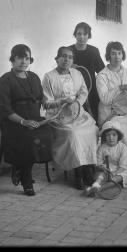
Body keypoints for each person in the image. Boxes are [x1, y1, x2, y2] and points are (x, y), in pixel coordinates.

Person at [0, 44, 53, 196]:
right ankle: (26, 179)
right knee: (30, 137)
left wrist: (48, 102)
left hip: (34, 119)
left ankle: (19, 166)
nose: (23, 62)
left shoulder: (33, 77)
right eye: (19, 58)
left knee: (47, 132)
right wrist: (23, 121)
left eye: (27, 58)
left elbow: (41, 97)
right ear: (12, 60)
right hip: (14, 122)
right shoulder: (5, 80)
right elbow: (5, 110)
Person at [42, 46, 99, 190]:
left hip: (78, 114)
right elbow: (46, 103)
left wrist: (76, 104)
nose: (67, 59)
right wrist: (62, 102)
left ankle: (88, 169)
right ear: (57, 59)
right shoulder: (49, 77)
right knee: (73, 134)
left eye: (70, 57)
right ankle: (78, 173)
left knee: (92, 130)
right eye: (64, 56)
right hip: (59, 117)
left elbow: (83, 92)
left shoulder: (77, 73)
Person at [96, 41, 127, 161]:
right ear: (108, 56)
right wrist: (120, 88)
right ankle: (120, 159)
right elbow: (104, 99)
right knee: (118, 128)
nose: (117, 56)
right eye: (113, 53)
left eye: (119, 53)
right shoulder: (102, 75)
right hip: (111, 112)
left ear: (122, 55)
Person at [68, 22, 105, 122]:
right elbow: (59, 71)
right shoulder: (68, 51)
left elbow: (102, 71)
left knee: (94, 118)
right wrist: (68, 66)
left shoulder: (94, 51)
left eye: (85, 34)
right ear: (75, 35)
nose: (82, 37)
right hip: (73, 92)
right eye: (79, 34)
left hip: (92, 91)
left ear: (89, 36)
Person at [85, 120, 127, 196]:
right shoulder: (102, 148)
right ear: (105, 137)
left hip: (119, 171)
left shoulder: (123, 148)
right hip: (106, 170)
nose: (111, 138)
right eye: (108, 135)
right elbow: (98, 163)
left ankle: (99, 189)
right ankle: (96, 185)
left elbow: (123, 166)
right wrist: (102, 168)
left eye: (114, 135)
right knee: (100, 176)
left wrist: (114, 173)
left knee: (119, 177)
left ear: (118, 136)